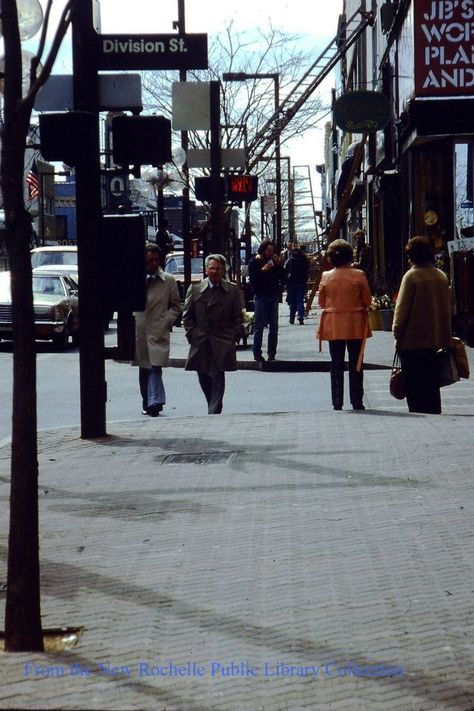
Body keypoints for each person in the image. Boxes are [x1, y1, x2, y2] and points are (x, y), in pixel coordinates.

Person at [393, 235, 452, 414]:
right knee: (432, 381)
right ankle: (434, 410)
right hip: (436, 339)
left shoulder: (411, 277)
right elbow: (449, 307)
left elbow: (401, 310)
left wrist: (397, 332)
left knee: (414, 382)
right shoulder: (441, 276)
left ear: (411, 256)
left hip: (413, 341)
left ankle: (418, 411)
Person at [183, 254, 243, 415]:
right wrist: (192, 334)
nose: (214, 271)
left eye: (218, 268)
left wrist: (233, 336)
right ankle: (212, 403)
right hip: (201, 340)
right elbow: (187, 316)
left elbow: (238, 316)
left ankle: (214, 410)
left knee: (218, 376)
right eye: (211, 268)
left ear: (223, 271)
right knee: (203, 375)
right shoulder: (195, 290)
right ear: (206, 270)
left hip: (222, 340)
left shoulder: (231, 290)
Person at [317, 239, 372, 411]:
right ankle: (357, 401)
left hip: (333, 323)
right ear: (350, 256)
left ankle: (337, 401)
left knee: (336, 363)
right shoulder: (359, 275)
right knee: (356, 363)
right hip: (355, 322)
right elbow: (367, 300)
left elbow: (321, 302)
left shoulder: (326, 276)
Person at [133, 243, 182, 417]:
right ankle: (148, 402)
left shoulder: (168, 280)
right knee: (144, 367)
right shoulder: (136, 279)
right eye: (149, 261)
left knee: (154, 366)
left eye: (156, 260)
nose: (153, 264)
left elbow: (176, 306)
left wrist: (166, 321)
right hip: (140, 328)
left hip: (158, 327)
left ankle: (154, 402)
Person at [248, 239, 286, 362]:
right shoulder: (255, 262)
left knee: (274, 326)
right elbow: (254, 281)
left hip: (273, 294)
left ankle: (271, 353)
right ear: (263, 250)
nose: (271, 253)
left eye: (272, 251)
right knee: (259, 326)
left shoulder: (275, 263)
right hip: (261, 295)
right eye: (269, 250)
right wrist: (263, 270)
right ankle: (257, 352)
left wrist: (278, 265)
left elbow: (283, 276)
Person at [284, 246, 310, 325]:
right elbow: (307, 270)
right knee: (300, 300)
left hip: (291, 283)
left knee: (292, 302)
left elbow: (285, 271)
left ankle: (292, 318)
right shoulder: (304, 260)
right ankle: (300, 317)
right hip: (301, 282)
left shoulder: (290, 260)